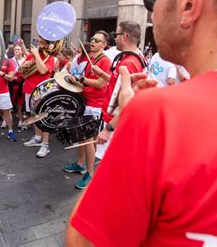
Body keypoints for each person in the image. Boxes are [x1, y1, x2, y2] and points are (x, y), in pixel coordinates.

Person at [67, 0, 217, 245]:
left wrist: (131, 125)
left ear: (189, 3)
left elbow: (83, 240)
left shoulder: (159, 115)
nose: (151, 10)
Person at [91, 21, 147, 159]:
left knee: (107, 165)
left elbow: (128, 102)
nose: (114, 38)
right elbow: (118, 85)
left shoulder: (129, 63)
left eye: (116, 34)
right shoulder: (130, 58)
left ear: (125, 36)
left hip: (113, 122)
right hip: (112, 120)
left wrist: (108, 129)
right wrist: (102, 74)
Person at [63, 31, 112, 189]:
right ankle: (80, 163)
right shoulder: (92, 58)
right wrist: (75, 79)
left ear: (104, 44)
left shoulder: (105, 60)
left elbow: (100, 84)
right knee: (82, 137)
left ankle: (90, 173)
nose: (93, 42)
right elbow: (86, 82)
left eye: (97, 41)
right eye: (92, 39)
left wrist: (81, 79)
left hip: (95, 105)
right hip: (86, 101)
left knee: (89, 141)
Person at [21, 36, 61, 158]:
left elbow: (43, 70)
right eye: (38, 42)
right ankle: (37, 138)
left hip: (43, 91)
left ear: (48, 45)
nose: (38, 45)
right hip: (29, 89)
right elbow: (20, 70)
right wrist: (24, 65)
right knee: (34, 116)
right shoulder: (32, 54)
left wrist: (36, 54)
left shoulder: (52, 58)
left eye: (41, 43)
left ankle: (45, 144)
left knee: (44, 117)